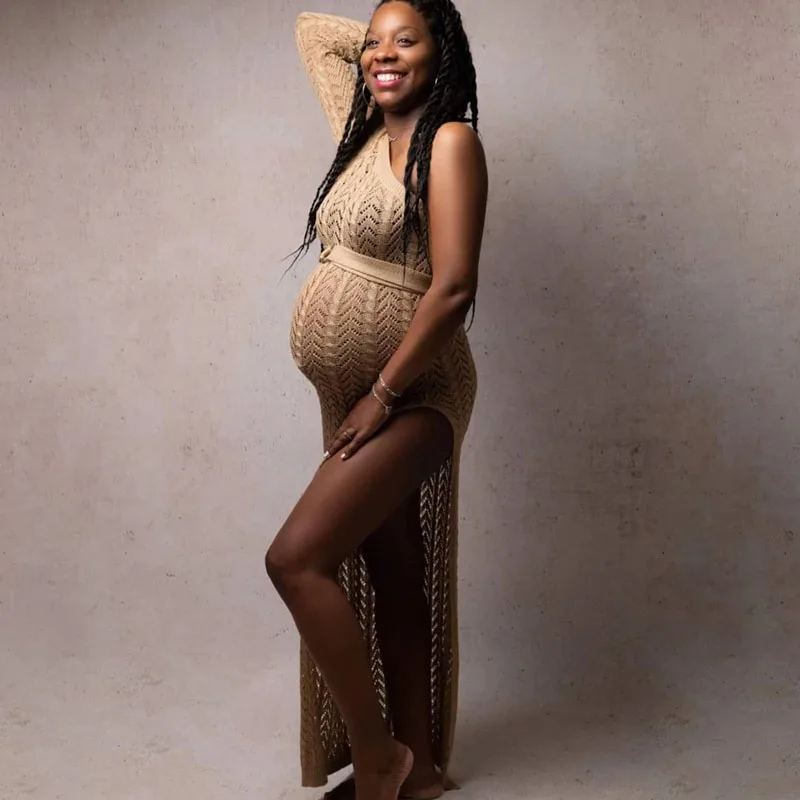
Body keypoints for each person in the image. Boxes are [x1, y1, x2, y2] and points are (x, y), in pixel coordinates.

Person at [265, 2, 487, 798]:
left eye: (407, 40)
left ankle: (379, 756)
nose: (382, 56)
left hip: (417, 394)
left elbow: (455, 285)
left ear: (444, 52)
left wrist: (383, 393)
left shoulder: (450, 142)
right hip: (354, 394)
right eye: (373, 45)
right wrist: (380, 52)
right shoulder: (363, 138)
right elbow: (313, 33)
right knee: (392, 574)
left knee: (295, 560)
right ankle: (421, 768)